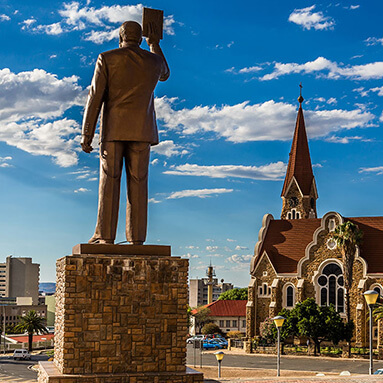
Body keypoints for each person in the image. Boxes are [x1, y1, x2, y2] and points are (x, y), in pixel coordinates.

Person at [81, 21, 170, 245]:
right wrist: (154, 45)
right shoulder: (154, 60)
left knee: (109, 181)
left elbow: (95, 97)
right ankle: (137, 239)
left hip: (113, 130)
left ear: (121, 37)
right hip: (142, 131)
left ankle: (104, 236)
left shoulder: (107, 58)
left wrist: (87, 134)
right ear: (140, 38)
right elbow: (165, 74)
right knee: (139, 183)